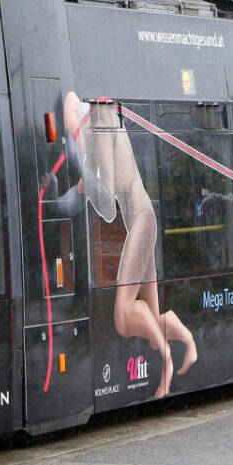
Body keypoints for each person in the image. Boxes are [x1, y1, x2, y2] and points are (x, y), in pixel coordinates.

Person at [46, 92, 197, 396]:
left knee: (123, 316)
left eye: (68, 128)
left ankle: (166, 361)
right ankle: (189, 344)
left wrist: (84, 175)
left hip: (141, 221)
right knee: (153, 316)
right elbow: (84, 193)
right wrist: (61, 193)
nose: (69, 135)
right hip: (142, 219)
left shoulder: (99, 120)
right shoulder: (98, 121)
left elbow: (107, 205)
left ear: (74, 115)